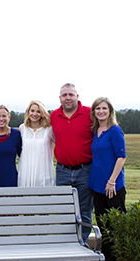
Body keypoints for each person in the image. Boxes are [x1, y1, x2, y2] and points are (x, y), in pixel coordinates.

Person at [50, 83, 93, 245]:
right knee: (65, 209)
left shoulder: (89, 113)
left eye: (71, 94)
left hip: (85, 170)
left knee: (84, 210)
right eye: (64, 95)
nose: (68, 98)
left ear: (77, 96)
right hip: (62, 171)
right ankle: (67, 244)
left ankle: (82, 244)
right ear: (60, 98)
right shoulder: (54, 115)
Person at [89, 97, 126, 261]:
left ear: (110, 111)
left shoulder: (115, 130)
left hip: (112, 186)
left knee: (117, 222)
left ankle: (124, 253)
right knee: (102, 221)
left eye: (104, 108)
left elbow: (121, 157)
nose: (101, 111)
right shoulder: (95, 131)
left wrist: (112, 181)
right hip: (96, 184)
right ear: (94, 112)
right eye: (97, 109)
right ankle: (108, 255)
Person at [18, 100, 55, 187]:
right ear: (28, 112)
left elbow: (60, 143)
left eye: (38, 111)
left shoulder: (49, 129)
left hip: (43, 173)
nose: (35, 114)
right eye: (32, 111)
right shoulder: (22, 128)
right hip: (26, 173)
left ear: (42, 113)